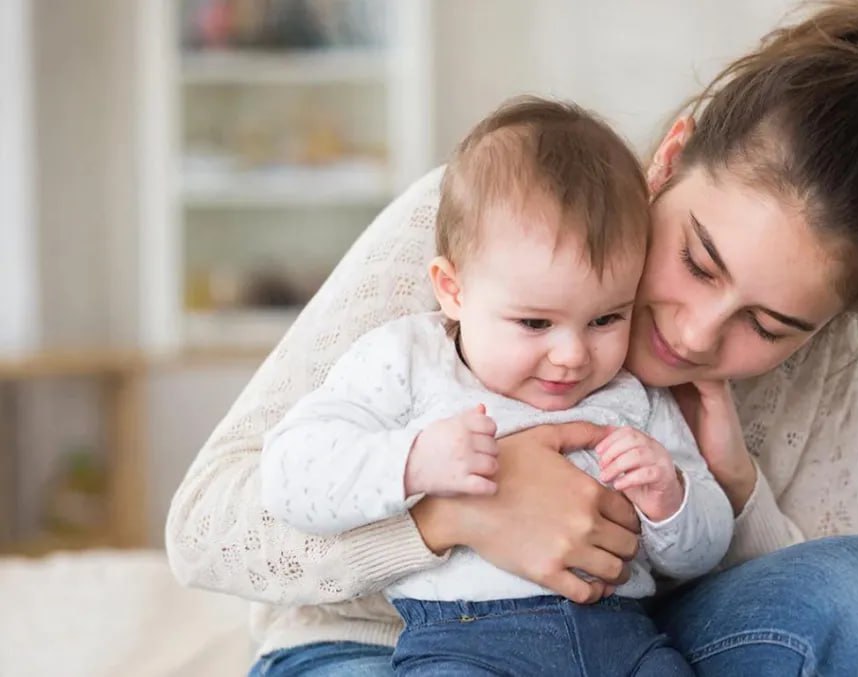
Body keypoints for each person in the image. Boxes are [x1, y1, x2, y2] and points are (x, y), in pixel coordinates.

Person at [166, 1, 858, 675]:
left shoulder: (821, 355)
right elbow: (205, 525)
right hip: (382, 642)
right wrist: (451, 516)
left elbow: (823, 607)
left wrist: (732, 486)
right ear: (669, 159)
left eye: (768, 324)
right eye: (698, 262)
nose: (695, 332)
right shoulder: (484, 228)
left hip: (631, 639)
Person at [258, 98, 732, 676]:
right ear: (452, 290)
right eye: (535, 323)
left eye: (607, 318)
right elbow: (288, 473)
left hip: (622, 642)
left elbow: (708, 547)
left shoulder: (633, 396)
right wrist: (409, 462)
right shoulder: (409, 362)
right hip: (466, 644)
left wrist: (671, 498)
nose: (573, 355)